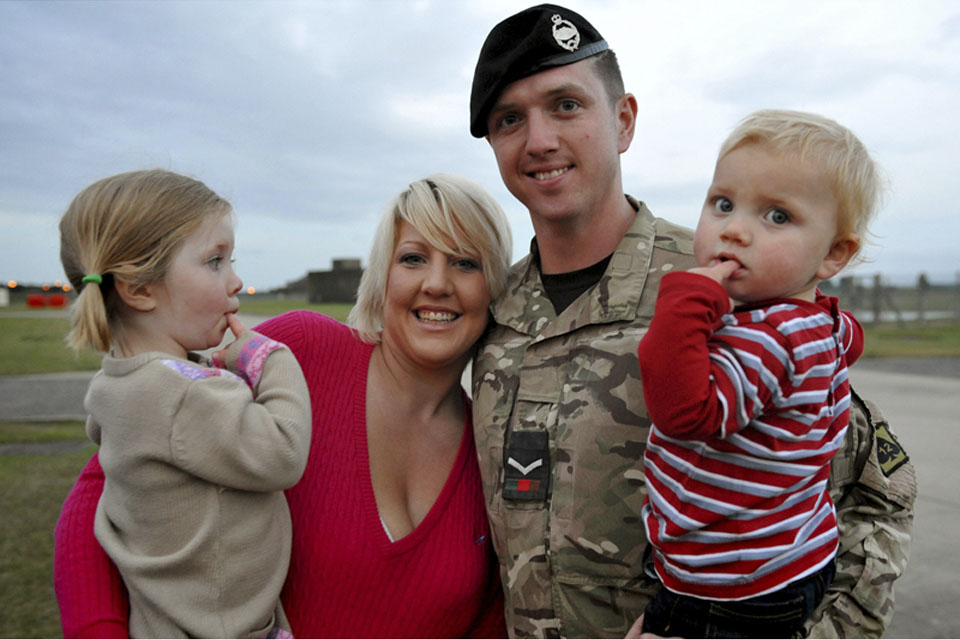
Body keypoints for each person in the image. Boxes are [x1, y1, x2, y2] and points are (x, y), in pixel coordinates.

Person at [468, 4, 917, 638]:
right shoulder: (493, 315)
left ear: (623, 121)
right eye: (509, 119)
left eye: (566, 105)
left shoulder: (735, 290)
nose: (538, 139)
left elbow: (878, 496)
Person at [54, 174, 514, 638]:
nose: (437, 283)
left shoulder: (495, 447)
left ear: (495, 289)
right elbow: (114, 476)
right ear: (381, 277)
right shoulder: (297, 351)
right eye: (413, 258)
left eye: (465, 263)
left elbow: (493, 618)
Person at [636, 109, 877, 638]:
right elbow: (850, 338)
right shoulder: (820, 324)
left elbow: (683, 411)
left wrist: (683, 302)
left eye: (777, 217)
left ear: (834, 252)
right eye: (723, 204)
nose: (735, 230)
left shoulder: (770, 337)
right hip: (788, 558)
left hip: (732, 586)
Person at [56, 169, 312, 638]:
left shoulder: (121, 384)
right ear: (139, 289)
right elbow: (284, 451)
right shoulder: (179, 395)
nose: (235, 281)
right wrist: (270, 359)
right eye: (215, 261)